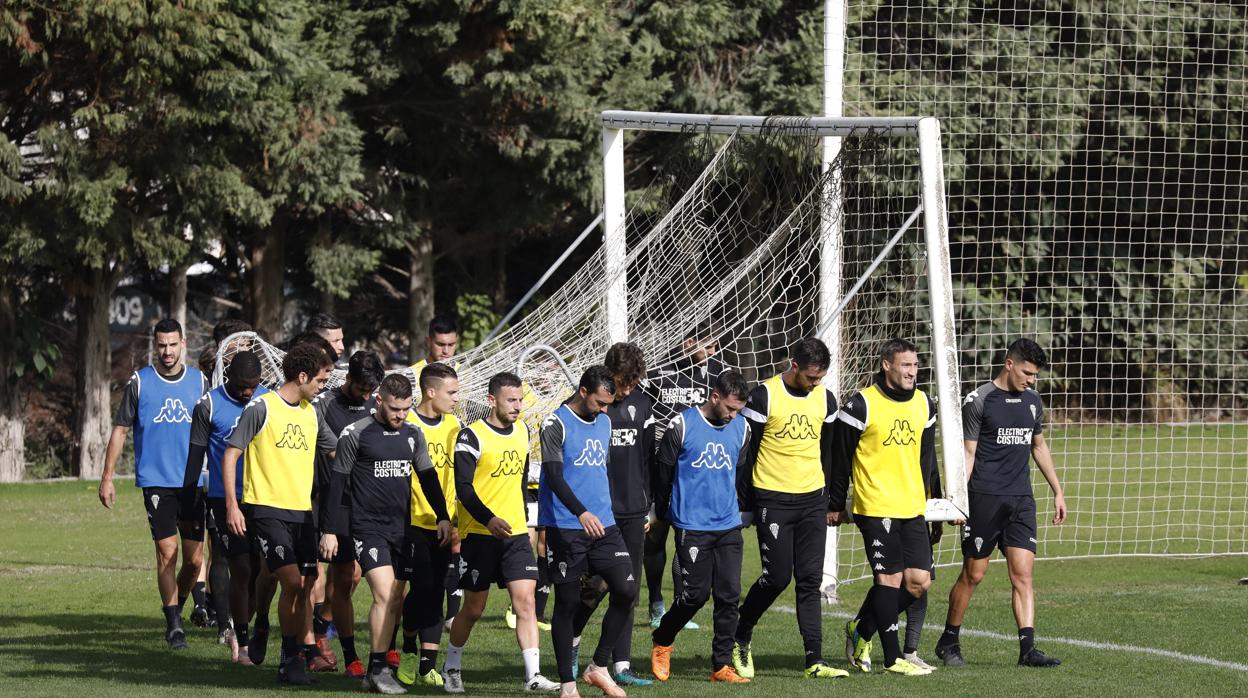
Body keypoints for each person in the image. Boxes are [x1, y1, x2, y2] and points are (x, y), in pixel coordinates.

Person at [934, 338, 1066, 668]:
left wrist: (1058, 491)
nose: (1031, 380)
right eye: (1026, 372)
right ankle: (949, 641)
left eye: (1035, 375)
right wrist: (957, 501)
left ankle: (1027, 650)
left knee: (1023, 575)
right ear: (1009, 364)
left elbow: (1038, 446)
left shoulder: (1033, 401)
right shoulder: (980, 400)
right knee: (974, 574)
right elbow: (968, 453)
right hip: (984, 500)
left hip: (1021, 500)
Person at [321, 373, 452, 694]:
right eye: (395, 409)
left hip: (401, 530)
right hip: (367, 528)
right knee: (383, 593)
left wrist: (443, 516)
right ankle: (378, 668)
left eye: (406, 409)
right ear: (379, 400)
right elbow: (337, 484)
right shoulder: (356, 433)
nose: (401, 416)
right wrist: (329, 530)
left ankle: (374, 672)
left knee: (394, 598)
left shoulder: (412, 434)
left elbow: (428, 477)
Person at [221, 343, 338, 685]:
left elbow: (335, 453)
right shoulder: (262, 407)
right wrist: (232, 505)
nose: (322, 386)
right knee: (292, 581)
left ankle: (273, 637)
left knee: (305, 585)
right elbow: (231, 455)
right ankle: (290, 661)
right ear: (302, 376)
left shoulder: (312, 411)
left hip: (303, 512)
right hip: (266, 509)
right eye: (318, 380)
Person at [731, 338, 845, 679]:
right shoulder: (764, 395)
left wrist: (831, 499)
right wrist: (744, 503)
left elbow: (831, 451)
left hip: (812, 499)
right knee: (776, 577)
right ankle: (741, 634)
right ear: (793, 365)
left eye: (820, 378)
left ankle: (815, 661)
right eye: (811, 377)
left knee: (810, 581)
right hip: (773, 499)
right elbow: (745, 453)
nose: (815, 384)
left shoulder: (825, 398)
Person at [830, 338, 942, 677]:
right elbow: (840, 460)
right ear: (886, 365)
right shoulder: (860, 405)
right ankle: (894, 659)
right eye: (905, 365)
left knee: (919, 582)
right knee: (889, 579)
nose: (912, 371)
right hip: (875, 504)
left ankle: (861, 630)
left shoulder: (925, 403)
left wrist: (934, 503)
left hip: (912, 505)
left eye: (915, 365)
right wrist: (835, 504)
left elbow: (927, 459)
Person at [443, 372, 560, 694]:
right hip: (480, 535)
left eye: (520, 400)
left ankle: (533, 676)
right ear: (492, 400)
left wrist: (520, 514)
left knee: (526, 604)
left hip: (516, 535)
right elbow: (463, 490)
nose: (518, 406)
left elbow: (521, 477)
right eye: (511, 400)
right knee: (474, 609)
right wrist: (489, 519)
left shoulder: (523, 431)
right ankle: (452, 666)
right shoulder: (471, 436)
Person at [99, 318, 209, 650]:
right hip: (157, 482)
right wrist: (107, 477)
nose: (167, 351)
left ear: (183, 344)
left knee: (194, 561)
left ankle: (183, 596)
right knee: (167, 553)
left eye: (173, 344)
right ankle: (174, 622)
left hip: (193, 481)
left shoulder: (200, 382)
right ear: (154, 345)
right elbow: (120, 430)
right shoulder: (140, 382)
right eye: (161, 345)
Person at [649, 370, 752, 684]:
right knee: (694, 596)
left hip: (728, 524)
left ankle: (721, 665)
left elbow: (741, 473)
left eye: (739, 410)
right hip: (692, 525)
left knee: (729, 595)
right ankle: (663, 639)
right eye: (730, 409)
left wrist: (743, 510)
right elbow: (663, 474)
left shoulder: (742, 428)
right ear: (715, 397)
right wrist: (662, 513)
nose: (734, 415)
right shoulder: (682, 425)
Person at [541, 366, 638, 698]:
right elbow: (554, 477)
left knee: (626, 590)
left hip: (604, 525)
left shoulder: (606, 422)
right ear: (583, 392)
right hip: (566, 526)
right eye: (599, 402)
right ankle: (568, 685)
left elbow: (600, 471)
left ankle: (597, 666)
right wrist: (580, 511)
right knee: (567, 603)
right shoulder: (555, 424)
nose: (604, 409)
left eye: (608, 403)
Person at [568, 343, 654, 687]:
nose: (628, 389)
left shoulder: (643, 404)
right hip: (596, 514)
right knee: (595, 588)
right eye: (623, 381)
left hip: (633, 511)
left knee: (627, 590)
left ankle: (618, 665)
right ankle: (571, 645)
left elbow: (646, 459)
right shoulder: (587, 407)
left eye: (633, 383)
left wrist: (648, 505)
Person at [186, 350, 268, 663]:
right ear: (228, 378)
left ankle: (244, 624)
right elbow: (195, 456)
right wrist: (188, 500)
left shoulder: (267, 401)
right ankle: (241, 639)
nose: (248, 392)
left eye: (253, 386)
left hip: (263, 496)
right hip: (224, 499)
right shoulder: (208, 404)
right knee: (242, 566)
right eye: (242, 386)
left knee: (261, 571)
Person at [642, 329, 723, 628]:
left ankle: (678, 603)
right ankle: (655, 603)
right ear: (689, 343)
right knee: (656, 535)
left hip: (693, 467)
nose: (713, 350)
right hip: (660, 465)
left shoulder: (715, 373)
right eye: (709, 344)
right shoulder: (659, 371)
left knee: (685, 535)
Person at [310, 351, 384, 676]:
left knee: (369, 578)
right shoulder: (325, 404)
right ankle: (351, 656)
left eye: (371, 391)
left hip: (369, 503)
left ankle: (322, 623)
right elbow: (325, 451)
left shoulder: (378, 404)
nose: (366, 396)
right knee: (344, 576)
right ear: (348, 379)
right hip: (335, 501)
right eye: (361, 389)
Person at [397, 362, 462, 687]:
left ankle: (426, 665)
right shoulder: (407, 422)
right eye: (451, 392)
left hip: (446, 523)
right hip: (413, 522)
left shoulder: (454, 425)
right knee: (421, 589)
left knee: (437, 589)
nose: (456, 398)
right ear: (430, 391)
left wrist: (454, 519)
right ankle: (408, 646)